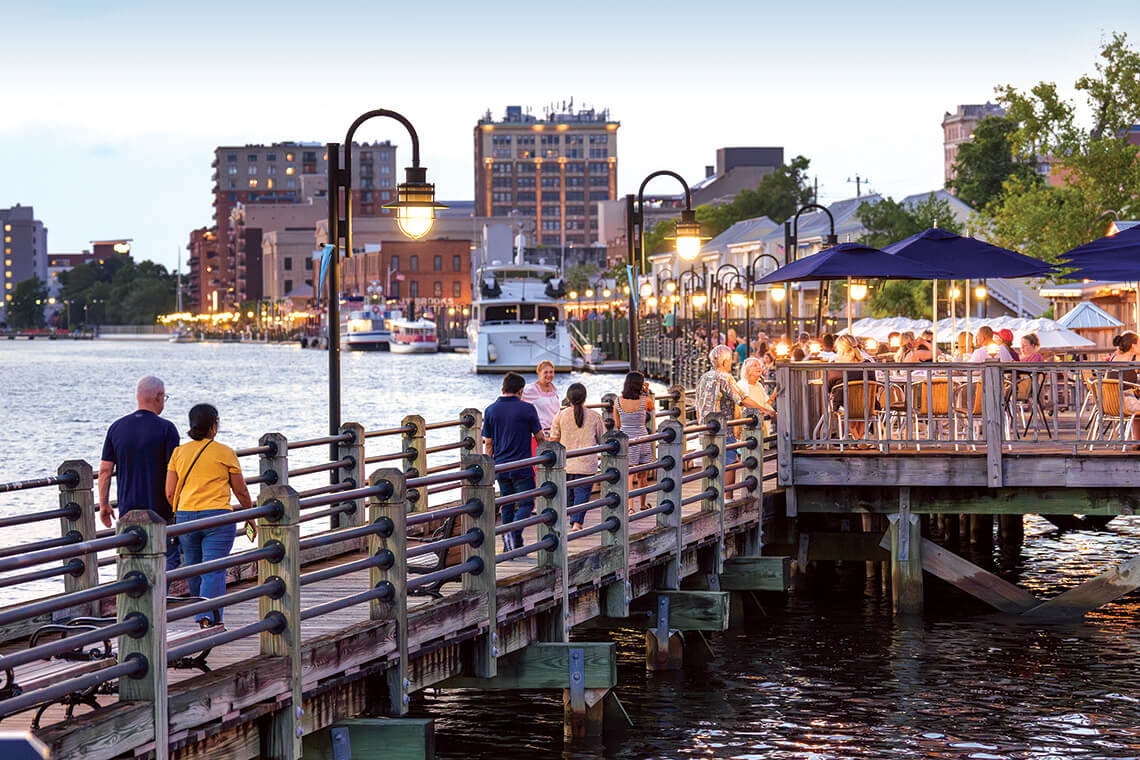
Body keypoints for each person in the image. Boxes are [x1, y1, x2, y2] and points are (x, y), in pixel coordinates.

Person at [166, 404, 255, 628]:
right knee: (214, 569)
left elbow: (169, 491)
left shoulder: (179, 452)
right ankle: (209, 618)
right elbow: (241, 490)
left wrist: (182, 509)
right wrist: (250, 514)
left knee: (195, 569)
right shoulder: (225, 452)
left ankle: (201, 615)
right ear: (214, 426)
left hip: (186, 517)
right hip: (217, 518)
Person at [98, 375, 182, 569]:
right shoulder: (167, 429)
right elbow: (174, 471)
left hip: (128, 511)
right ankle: (161, 599)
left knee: (130, 561)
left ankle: (133, 596)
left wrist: (104, 504)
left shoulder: (116, 427)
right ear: (159, 396)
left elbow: (104, 471)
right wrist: (176, 506)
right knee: (166, 561)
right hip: (160, 510)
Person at [695, 345, 774, 487]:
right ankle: (727, 499)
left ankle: (712, 495)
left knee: (712, 463)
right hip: (724, 429)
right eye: (730, 359)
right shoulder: (725, 378)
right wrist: (765, 410)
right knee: (729, 462)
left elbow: (697, 406)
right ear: (724, 362)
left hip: (705, 427)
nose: (731, 362)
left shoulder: (704, 377)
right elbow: (742, 399)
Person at [483, 372, 545, 551]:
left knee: (507, 503)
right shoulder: (528, 408)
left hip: (501, 465)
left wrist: (491, 466)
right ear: (521, 391)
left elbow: (488, 443)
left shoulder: (490, 409)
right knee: (526, 503)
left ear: (502, 389)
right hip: (522, 465)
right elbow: (539, 437)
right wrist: (545, 455)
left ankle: (510, 545)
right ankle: (514, 533)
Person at [549, 383, 605, 529]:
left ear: (568, 398)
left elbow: (553, 440)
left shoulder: (561, 415)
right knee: (582, 493)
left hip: (566, 463)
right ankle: (577, 523)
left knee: (567, 494)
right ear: (585, 398)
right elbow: (603, 439)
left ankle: (566, 520)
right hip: (586, 464)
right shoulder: (594, 416)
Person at [614, 372, 655, 512]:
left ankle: (630, 507)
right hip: (642, 438)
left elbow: (617, 424)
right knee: (642, 474)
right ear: (640, 384)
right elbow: (652, 408)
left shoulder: (617, 401)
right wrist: (647, 391)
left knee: (629, 475)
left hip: (627, 439)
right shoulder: (645, 400)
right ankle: (643, 504)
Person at [1107, 333, 1140, 443]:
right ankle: (1136, 441)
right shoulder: (1134, 358)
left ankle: (1137, 442)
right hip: (1126, 403)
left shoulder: (1114, 357)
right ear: (1134, 346)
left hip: (1109, 403)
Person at [521, 360, 560, 436]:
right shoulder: (531, 389)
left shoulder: (553, 388)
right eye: (545, 372)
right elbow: (517, 399)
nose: (549, 375)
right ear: (539, 373)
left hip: (555, 432)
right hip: (540, 434)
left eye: (551, 372)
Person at [739, 357, 773, 437]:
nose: (759, 367)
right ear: (747, 370)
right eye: (754, 365)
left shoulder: (759, 386)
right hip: (749, 425)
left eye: (759, 365)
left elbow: (765, 404)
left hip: (760, 425)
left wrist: (775, 394)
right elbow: (742, 405)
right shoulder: (742, 385)